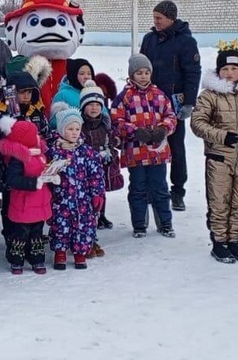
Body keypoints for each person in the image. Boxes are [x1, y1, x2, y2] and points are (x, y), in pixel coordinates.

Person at [190, 42, 238, 264]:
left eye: (234, 69)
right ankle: (219, 242)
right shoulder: (210, 95)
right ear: (218, 71)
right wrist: (221, 136)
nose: (230, 73)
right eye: (225, 69)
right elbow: (197, 123)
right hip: (219, 159)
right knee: (219, 202)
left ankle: (234, 241)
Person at [140, 0, 200, 212]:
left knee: (175, 147)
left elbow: (193, 73)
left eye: (159, 18)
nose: (155, 22)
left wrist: (189, 103)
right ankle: (151, 188)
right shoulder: (149, 39)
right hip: (149, 103)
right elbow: (140, 68)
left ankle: (177, 190)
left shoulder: (185, 42)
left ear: (171, 19)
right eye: (154, 17)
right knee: (149, 144)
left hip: (174, 105)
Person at [112, 54, 179, 238]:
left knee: (160, 188)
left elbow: (171, 115)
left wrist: (163, 129)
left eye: (146, 72)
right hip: (136, 152)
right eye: (139, 73)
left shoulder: (159, 94)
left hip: (157, 152)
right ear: (132, 75)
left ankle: (165, 223)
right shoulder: (125, 96)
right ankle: (139, 224)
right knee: (138, 189)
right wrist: (134, 131)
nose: (143, 76)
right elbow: (116, 120)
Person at [47, 103, 105, 271]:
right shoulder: (54, 152)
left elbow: (96, 174)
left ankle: (80, 252)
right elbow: (47, 173)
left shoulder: (87, 152)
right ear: (61, 130)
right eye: (70, 129)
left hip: (82, 200)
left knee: (83, 225)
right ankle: (60, 252)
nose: (74, 132)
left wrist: (96, 193)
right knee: (60, 225)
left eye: (77, 129)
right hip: (61, 198)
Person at [0, 120, 53, 274]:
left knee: (37, 233)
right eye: (33, 134)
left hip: (40, 201)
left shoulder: (40, 154)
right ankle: (16, 260)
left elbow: (44, 171)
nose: (37, 136)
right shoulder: (19, 158)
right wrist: (34, 182)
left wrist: (52, 176)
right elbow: (13, 180)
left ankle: (37, 259)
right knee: (20, 234)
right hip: (24, 202)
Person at [79, 85, 121, 249]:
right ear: (83, 106)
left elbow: (111, 141)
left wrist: (111, 149)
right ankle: (87, 229)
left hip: (102, 166)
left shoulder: (105, 124)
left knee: (100, 193)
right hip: (84, 170)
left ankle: (100, 215)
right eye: (90, 104)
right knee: (86, 198)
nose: (94, 107)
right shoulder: (80, 124)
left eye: (98, 104)